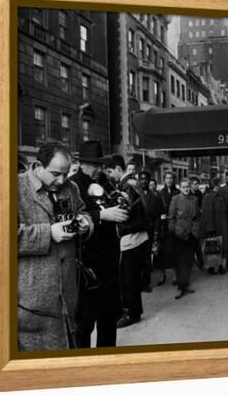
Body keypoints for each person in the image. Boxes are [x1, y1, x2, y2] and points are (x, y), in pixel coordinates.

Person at [17, 141, 93, 351]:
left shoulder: (71, 188)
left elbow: (83, 212)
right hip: (31, 305)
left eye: (66, 174)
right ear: (38, 166)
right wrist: (48, 233)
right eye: (55, 174)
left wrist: (86, 223)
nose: (61, 181)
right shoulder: (13, 188)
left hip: (67, 298)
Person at [69, 141, 128, 348]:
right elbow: (71, 219)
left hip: (109, 264)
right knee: (84, 324)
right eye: (95, 165)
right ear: (82, 163)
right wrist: (101, 215)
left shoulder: (104, 181)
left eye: (101, 165)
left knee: (108, 319)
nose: (99, 170)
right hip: (88, 266)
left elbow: (114, 201)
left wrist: (121, 200)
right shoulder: (73, 185)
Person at [106, 155, 149, 329]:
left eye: (110, 171)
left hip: (131, 239)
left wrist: (115, 226)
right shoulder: (132, 183)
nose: (110, 175)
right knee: (132, 278)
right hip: (139, 237)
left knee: (128, 279)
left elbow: (124, 216)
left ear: (118, 168)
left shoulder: (125, 187)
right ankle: (134, 311)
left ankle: (132, 314)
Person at [168, 178, 200, 299]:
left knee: (189, 260)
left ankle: (185, 284)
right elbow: (171, 217)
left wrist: (196, 229)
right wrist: (174, 231)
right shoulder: (175, 199)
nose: (186, 189)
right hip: (180, 234)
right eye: (184, 187)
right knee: (181, 261)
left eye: (188, 187)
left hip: (192, 233)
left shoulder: (194, 199)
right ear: (180, 188)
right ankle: (181, 287)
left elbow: (197, 216)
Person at [200, 177, 228, 275]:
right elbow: (208, 213)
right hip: (215, 227)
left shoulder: (218, 196)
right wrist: (210, 228)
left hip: (221, 225)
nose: (220, 186)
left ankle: (221, 266)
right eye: (218, 184)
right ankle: (212, 266)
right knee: (213, 247)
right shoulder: (208, 197)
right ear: (215, 186)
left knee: (220, 247)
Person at [137, 170, 163, 292]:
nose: (144, 181)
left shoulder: (155, 196)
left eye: (146, 179)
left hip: (150, 231)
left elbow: (158, 216)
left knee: (147, 258)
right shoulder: (135, 194)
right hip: (137, 231)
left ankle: (145, 283)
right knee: (138, 258)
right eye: (141, 179)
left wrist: (156, 232)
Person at [155, 170, 180, 285]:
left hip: (174, 225)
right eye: (167, 178)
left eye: (171, 178)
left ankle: (175, 274)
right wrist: (161, 216)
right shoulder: (160, 193)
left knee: (175, 251)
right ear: (164, 180)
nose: (169, 180)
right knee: (162, 252)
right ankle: (162, 274)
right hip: (163, 226)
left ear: (173, 179)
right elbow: (157, 210)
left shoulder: (177, 192)